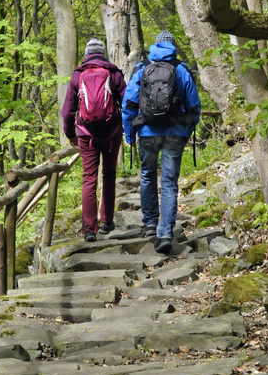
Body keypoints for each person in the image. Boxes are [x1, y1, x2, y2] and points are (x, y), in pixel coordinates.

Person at [122, 31, 201, 254]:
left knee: (147, 175)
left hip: (146, 132)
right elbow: (194, 106)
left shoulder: (141, 68)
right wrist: (187, 130)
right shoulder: (182, 69)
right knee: (168, 182)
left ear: (155, 46)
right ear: (173, 46)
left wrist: (129, 135)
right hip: (175, 132)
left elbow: (128, 104)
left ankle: (149, 225)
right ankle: (165, 232)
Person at [62, 38, 127, 242]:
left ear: (86, 54)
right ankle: (107, 222)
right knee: (109, 175)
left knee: (89, 179)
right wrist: (125, 127)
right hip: (112, 133)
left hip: (85, 133)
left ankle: (90, 229)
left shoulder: (78, 75)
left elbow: (67, 111)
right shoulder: (113, 72)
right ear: (103, 53)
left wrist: (70, 133)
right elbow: (127, 101)